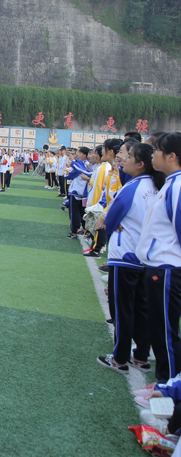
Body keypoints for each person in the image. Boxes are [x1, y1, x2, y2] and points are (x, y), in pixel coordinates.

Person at [97, 143, 162, 375]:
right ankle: (141, 356)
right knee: (141, 307)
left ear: (141, 164)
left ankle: (120, 358)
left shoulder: (132, 187)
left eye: (130, 156)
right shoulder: (156, 186)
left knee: (122, 309)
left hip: (125, 255)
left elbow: (111, 220)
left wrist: (107, 223)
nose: (124, 160)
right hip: (146, 256)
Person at [136, 133, 181, 383]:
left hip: (167, 268)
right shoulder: (170, 183)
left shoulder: (178, 185)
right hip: (159, 266)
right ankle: (164, 382)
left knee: (165, 332)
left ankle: (169, 386)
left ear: (172, 156)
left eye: (157, 150)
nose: (153, 154)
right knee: (158, 329)